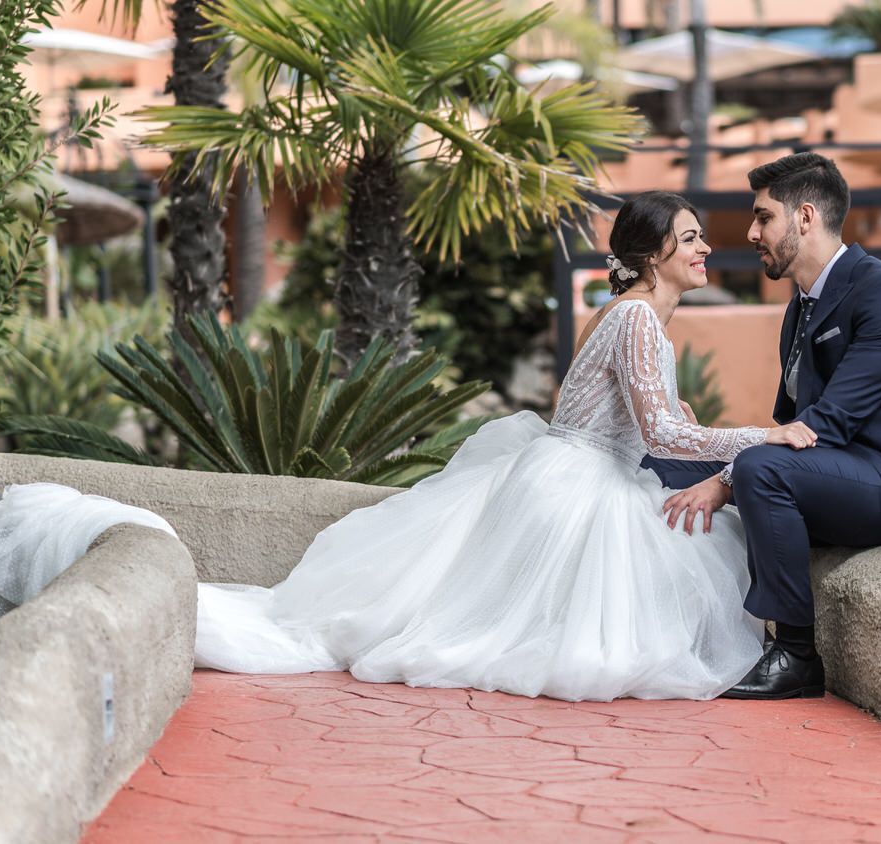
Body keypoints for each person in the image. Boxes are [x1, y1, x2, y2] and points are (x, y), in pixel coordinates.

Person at [182, 190, 817, 700]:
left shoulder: (627, 314)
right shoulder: (637, 319)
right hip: (580, 483)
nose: (707, 246)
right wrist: (767, 434)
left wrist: (679, 415)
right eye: (690, 238)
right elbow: (662, 436)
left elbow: (629, 412)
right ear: (654, 256)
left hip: (568, 469)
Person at [652, 152, 881, 700]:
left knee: (760, 469)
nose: (750, 232)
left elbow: (829, 422)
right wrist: (710, 461)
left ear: (806, 217)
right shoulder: (801, 307)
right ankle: (671, 627)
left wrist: (725, 480)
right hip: (827, 476)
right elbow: (789, 424)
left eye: (763, 217)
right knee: (665, 464)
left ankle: (794, 652)